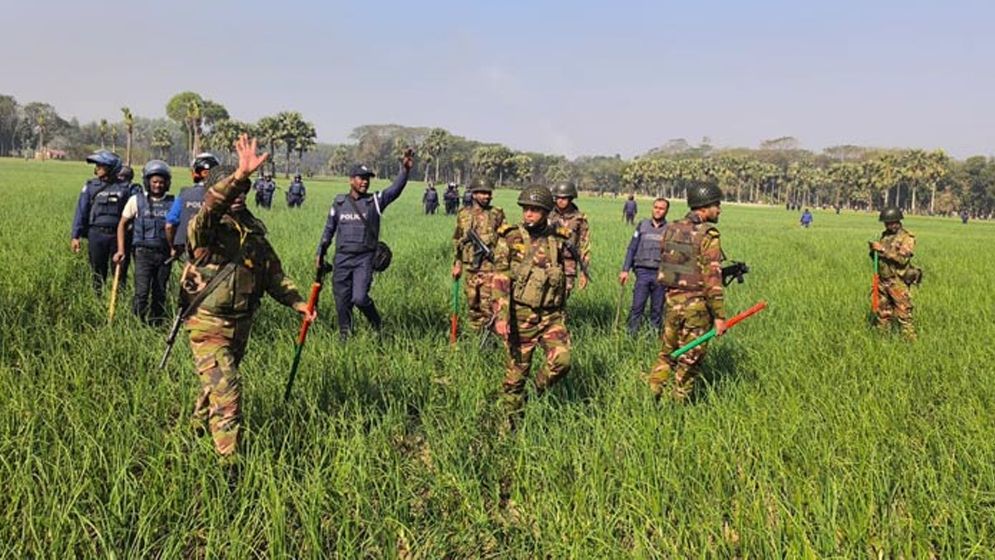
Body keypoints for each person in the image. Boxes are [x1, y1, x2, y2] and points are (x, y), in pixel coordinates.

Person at [182, 134, 312, 457]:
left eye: (243, 188)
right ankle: (229, 471)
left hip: (240, 326)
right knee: (229, 392)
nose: (240, 193)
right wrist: (239, 175)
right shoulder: (205, 228)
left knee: (215, 384)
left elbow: (273, 274)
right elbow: (212, 207)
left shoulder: (253, 231)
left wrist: (298, 302)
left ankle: (194, 430)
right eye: (233, 187)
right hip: (208, 324)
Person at [492, 185, 575, 425]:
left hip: (551, 316)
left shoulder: (558, 239)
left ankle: (535, 391)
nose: (528, 214)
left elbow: (564, 273)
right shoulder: (511, 237)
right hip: (520, 316)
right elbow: (500, 278)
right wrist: (502, 316)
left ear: (547, 212)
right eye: (526, 209)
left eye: (535, 210)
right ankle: (510, 421)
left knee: (562, 361)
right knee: (516, 374)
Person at [316, 152, 414, 340]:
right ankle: (345, 335)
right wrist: (320, 252)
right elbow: (329, 229)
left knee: (359, 298)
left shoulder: (375, 201)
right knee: (342, 302)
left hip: (364, 259)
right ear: (351, 180)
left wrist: (405, 171)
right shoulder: (339, 203)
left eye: (367, 179)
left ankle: (377, 324)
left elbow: (395, 190)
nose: (365, 182)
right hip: (342, 258)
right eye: (361, 178)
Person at [647, 184, 727, 402]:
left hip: (672, 302)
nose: (719, 209)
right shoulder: (708, 234)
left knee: (666, 354)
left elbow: (672, 262)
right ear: (703, 207)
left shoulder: (672, 228)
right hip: (696, 308)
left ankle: (651, 397)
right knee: (689, 360)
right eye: (716, 205)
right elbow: (712, 278)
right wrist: (720, 316)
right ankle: (678, 407)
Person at [113, 160, 174, 325]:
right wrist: (120, 250)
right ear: (147, 182)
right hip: (142, 254)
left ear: (167, 183)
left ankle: (156, 324)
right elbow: (122, 225)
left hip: (165, 255)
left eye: (162, 182)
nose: (158, 185)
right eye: (154, 182)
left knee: (160, 292)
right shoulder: (136, 200)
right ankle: (137, 324)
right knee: (142, 292)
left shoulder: (173, 203)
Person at [71, 150, 133, 293]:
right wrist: (75, 236)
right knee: (97, 274)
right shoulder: (91, 187)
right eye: (97, 165)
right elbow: (81, 211)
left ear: (112, 168)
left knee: (120, 274)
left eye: (101, 165)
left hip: (119, 237)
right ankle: (97, 300)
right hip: (96, 235)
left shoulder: (125, 188)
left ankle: (119, 303)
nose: (97, 168)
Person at [451, 178, 506, 331]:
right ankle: (475, 334)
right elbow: (457, 240)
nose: (486, 196)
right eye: (482, 193)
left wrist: (501, 265)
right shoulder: (463, 214)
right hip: (470, 267)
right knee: (472, 302)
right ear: (474, 194)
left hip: (489, 267)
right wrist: (457, 264)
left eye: (488, 193)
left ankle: (489, 337)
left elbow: (504, 240)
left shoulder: (497, 213)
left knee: (487, 304)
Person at [620, 198, 669, 336]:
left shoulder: (670, 230)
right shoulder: (642, 225)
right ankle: (631, 335)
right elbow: (632, 248)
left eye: (661, 208)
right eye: (656, 207)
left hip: (660, 275)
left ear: (666, 211)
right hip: (642, 273)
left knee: (657, 309)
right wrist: (625, 270)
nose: (658, 210)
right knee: (637, 307)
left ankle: (653, 337)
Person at [869, 207, 919, 340]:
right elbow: (879, 256)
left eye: (890, 223)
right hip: (883, 280)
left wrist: (883, 249)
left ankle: (909, 341)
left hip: (897, 281)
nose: (888, 226)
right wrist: (873, 250)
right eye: (886, 223)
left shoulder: (907, 238)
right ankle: (881, 340)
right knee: (883, 313)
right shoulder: (885, 236)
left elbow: (903, 259)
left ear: (897, 221)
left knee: (903, 314)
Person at [166, 152, 221, 260]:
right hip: (216, 250)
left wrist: (173, 247)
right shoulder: (223, 197)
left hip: (187, 250)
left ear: (195, 173)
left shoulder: (184, 194)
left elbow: (169, 225)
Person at [548, 181, 591, 296]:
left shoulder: (579, 219)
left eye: (564, 198)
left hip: (568, 264)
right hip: (549, 261)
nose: (560, 200)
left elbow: (584, 246)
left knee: (563, 297)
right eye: (558, 197)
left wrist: (584, 272)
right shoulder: (548, 215)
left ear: (571, 198)